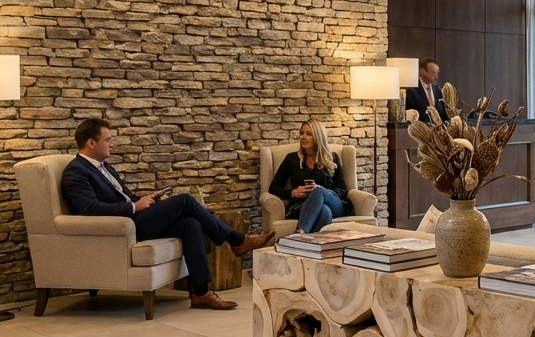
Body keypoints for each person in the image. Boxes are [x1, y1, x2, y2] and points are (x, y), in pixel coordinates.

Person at [60, 119, 274, 310]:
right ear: (91, 142)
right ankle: (237, 241)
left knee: (190, 223)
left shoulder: (103, 167)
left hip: (133, 217)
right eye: (108, 140)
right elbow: (90, 208)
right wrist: (135, 207)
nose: (112, 144)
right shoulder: (76, 171)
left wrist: (143, 199)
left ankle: (200, 293)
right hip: (124, 226)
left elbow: (123, 196)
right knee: (185, 200)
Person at [268, 120, 354, 234]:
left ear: (318, 136)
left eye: (309, 134)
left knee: (319, 191)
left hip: (334, 204)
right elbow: (273, 188)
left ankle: (300, 233)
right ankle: (309, 243)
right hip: (302, 205)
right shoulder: (292, 158)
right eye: (301, 133)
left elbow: (342, 189)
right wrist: (292, 193)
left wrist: (324, 192)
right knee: (324, 211)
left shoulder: (332, 158)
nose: (303, 137)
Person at [405, 58, 448, 123]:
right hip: (420, 129)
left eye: (437, 73)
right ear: (422, 71)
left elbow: (443, 113)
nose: (436, 76)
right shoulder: (412, 90)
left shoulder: (437, 90)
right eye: (433, 73)